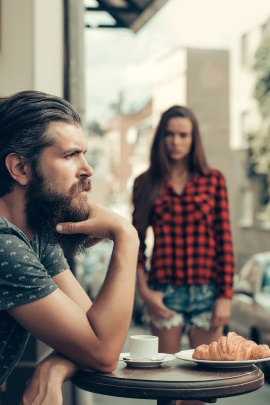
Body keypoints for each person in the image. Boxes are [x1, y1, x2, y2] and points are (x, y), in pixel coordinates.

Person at [0, 90, 139, 404]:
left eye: (84, 153)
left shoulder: (33, 234)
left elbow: (95, 333)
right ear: (20, 168)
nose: (87, 169)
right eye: (70, 155)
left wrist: (53, 367)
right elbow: (103, 352)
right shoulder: (4, 248)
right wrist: (127, 237)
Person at [132, 105, 236, 405]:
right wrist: (144, 291)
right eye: (169, 134)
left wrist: (225, 296)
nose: (175, 141)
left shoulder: (213, 179)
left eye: (183, 135)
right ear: (161, 138)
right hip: (164, 293)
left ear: (193, 139)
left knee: (201, 390)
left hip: (208, 292)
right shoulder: (145, 182)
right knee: (167, 386)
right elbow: (136, 242)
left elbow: (224, 240)